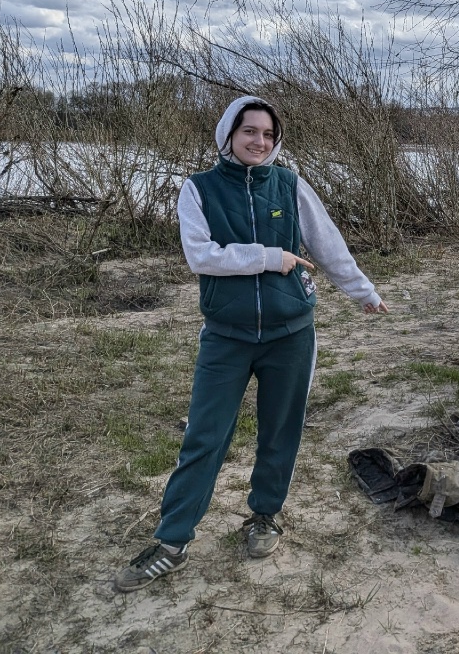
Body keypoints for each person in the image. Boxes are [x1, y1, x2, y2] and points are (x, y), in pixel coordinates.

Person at [114, 95, 389, 592]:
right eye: (249, 131)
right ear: (228, 134)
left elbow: (327, 243)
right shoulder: (198, 189)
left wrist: (362, 291)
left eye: (267, 134)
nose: (259, 141)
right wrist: (269, 257)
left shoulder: (289, 184)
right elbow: (201, 256)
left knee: (280, 431)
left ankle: (265, 516)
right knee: (204, 437)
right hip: (226, 338)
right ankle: (172, 542)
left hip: (291, 335)